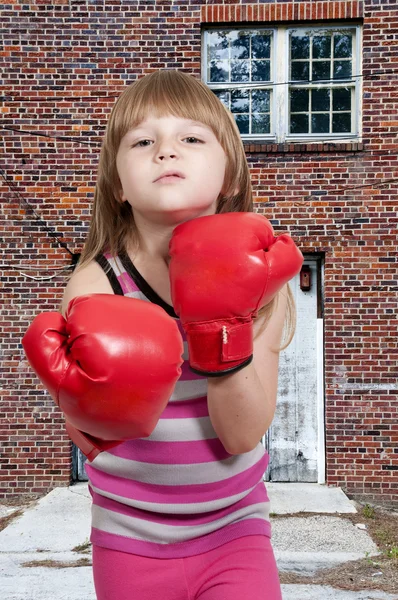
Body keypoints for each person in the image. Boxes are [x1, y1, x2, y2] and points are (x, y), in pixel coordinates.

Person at [23, 70, 304, 600]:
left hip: (234, 531)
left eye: (191, 138)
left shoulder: (265, 282)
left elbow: (242, 436)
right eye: (143, 141)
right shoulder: (95, 283)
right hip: (128, 537)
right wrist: (83, 407)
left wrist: (221, 323)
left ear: (229, 176)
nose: (166, 152)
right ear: (117, 184)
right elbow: (92, 435)